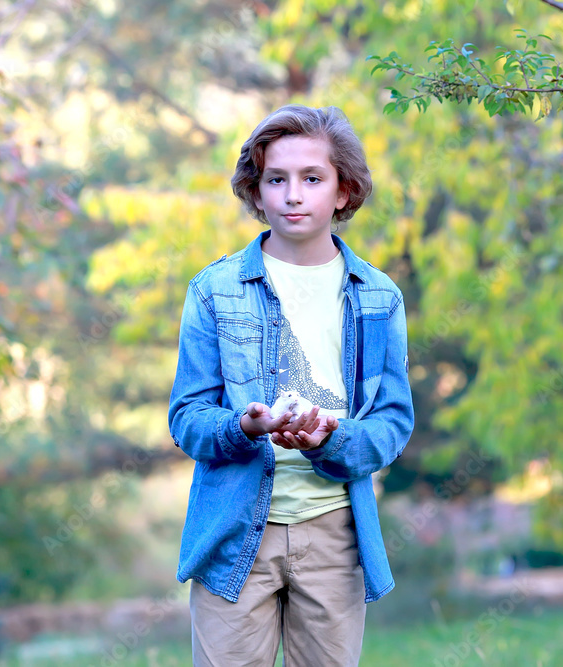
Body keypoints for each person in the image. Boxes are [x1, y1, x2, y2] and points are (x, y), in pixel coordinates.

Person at [168, 104, 415, 666]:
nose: (293, 194)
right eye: (276, 179)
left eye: (312, 179)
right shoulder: (215, 290)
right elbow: (186, 418)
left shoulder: (379, 298)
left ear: (344, 191)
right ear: (256, 193)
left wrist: (332, 436)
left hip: (335, 532)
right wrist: (243, 425)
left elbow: (393, 425)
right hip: (233, 533)